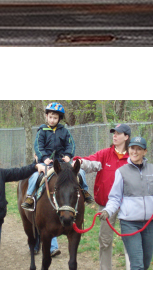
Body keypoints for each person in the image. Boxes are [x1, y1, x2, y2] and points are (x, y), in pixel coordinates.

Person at [21, 102, 93, 257]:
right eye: (50, 116)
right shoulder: (42, 131)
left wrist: (68, 155)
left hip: (63, 162)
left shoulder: (64, 131)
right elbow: (38, 147)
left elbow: (71, 145)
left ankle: (85, 192)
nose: (52, 119)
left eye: (55, 117)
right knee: (35, 175)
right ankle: (29, 197)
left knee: (80, 173)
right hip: (46, 162)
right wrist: (44, 158)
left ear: (59, 119)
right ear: (46, 116)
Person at [99, 136, 153, 270]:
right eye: (132, 148)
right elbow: (115, 198)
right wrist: (107, 211)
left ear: (145, 152)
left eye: (138, 149)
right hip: (129, 223)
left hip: (150, 223)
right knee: (137, 264)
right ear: (129, 149)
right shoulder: (122, 172)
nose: (134, 152)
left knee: (145, 264)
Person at [73, 123, 131, 270]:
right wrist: (79, 162)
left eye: (118, 133)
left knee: (130, 241)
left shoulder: (132, 156)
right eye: (114, 133)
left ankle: (133, 269)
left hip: (128, 206)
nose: (115, 136)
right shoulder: (105, 154)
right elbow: (90, 162)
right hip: (106, 205)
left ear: (126, 137)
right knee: (105, 241)